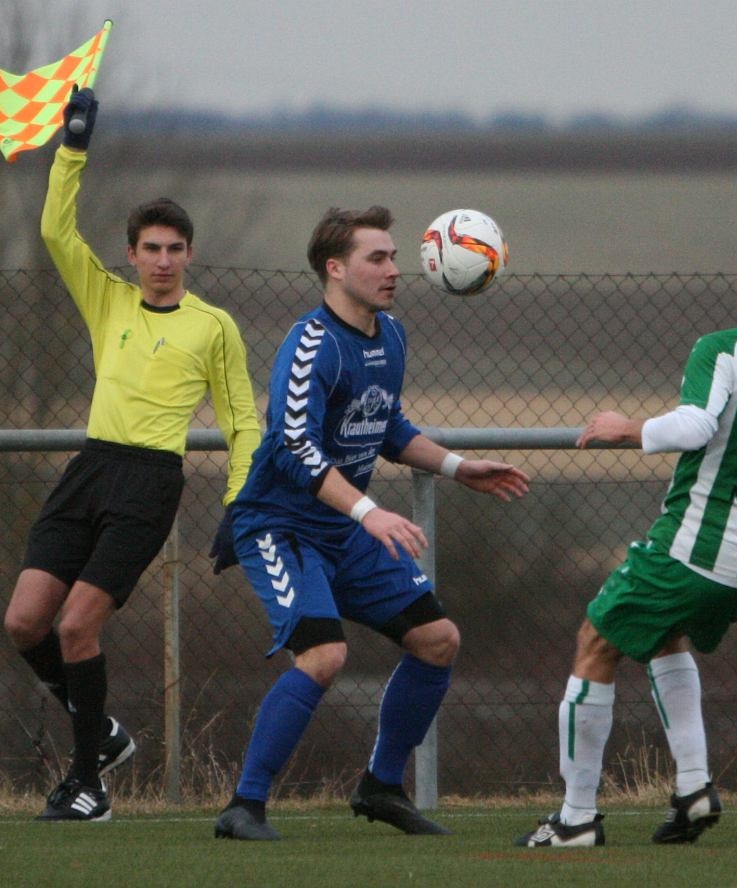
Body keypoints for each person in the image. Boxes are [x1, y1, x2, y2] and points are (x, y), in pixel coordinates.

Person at [516, 230, 737, 849]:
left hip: (695, 552)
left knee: (595, 640)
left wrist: (625, 428)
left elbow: (697, 423)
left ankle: (575, 820)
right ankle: (692, 788)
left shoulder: (726, 349)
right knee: (663, 635)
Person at [212, 205, 531, 841]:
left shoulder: (391, 336)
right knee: (325, 654)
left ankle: (381, 788)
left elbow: (387, 427)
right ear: (335, 269)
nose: (393, 270)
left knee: (438, 639)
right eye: (376, 258)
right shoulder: (311, 344)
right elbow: (294, 448)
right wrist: (368, 511)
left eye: (393, 256)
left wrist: (457, 465)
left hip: (344, 531)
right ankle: (244, 807)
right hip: (279, 527)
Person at [3, 87, 260, 822]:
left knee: (78, 625)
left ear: (189, 256)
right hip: (89, 470)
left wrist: (241, 501)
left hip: (148, 483)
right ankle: (103, 734)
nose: (163, 260)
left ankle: (89, 783)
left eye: (175, 249)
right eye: (151, 248)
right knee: (26, 622)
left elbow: (244, 422)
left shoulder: (213, 326)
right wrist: (72, 148)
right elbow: (56, 230)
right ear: (132, 254)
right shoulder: (107, 298)